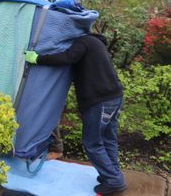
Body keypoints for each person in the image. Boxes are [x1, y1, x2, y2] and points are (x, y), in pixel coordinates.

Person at [25, 33, 126, 196]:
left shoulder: (83, 41)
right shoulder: (97, 44)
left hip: (99, 100)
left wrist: (38, 59)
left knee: (92, 143)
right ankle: (111, 175)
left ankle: (114, 180)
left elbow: (68, 57)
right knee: (108, 139)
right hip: (114, 97)